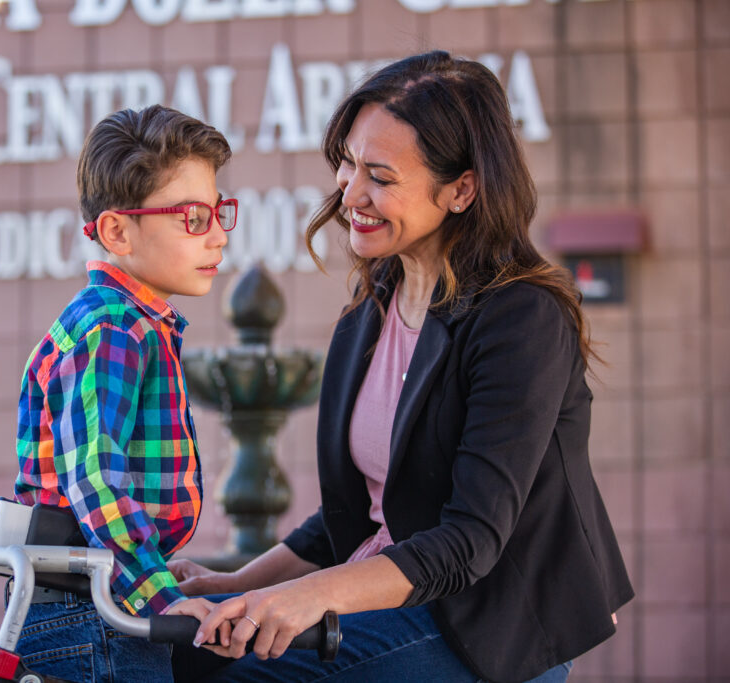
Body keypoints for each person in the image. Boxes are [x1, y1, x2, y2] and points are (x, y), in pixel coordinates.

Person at [171, 51, 634, 683]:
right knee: (176, 643)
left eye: (381, 177)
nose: (351, 191)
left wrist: (311, 597)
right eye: (350, 163)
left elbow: (468, 543)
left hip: (483, 624)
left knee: (241, 674)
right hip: (394, 596)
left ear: (461, 189)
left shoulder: (521, 320)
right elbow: (361, 511)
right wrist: (239, 582)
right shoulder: (370, 307)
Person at [12, 104, 237, 682]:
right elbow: (94, 477)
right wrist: (157, 594)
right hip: (93, 619)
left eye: (219, 214)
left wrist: (157, 571)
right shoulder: (113, 329)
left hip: (102, 605)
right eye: (193, 217)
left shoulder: (127, 322)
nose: (217, 237)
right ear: (117, 230)